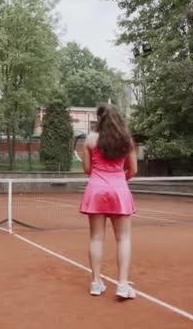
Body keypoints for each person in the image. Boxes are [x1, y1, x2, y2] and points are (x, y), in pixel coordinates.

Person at [79, 103, 137, 299]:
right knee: (124, 239)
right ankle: (122, 284)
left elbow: (87, 170)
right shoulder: (126, 140)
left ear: (99, 118)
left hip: (96, 190)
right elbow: (133, 170)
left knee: (96, 238)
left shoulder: (90, 139)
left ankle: (96, 283)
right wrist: (119, 180)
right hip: (119, 191)